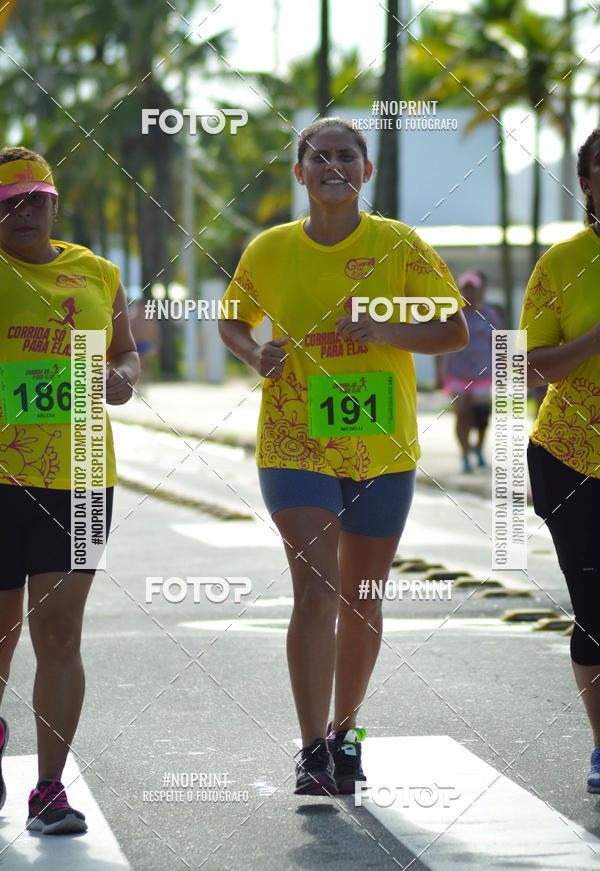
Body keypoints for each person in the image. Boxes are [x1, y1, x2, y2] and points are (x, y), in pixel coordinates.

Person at [218, 117, 468, 795]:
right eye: (320, 156)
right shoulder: (269, 249)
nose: (334, 166)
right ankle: (310, 750)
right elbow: (232, 320)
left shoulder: (400, 245)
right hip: (293, 440)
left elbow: (454, 329)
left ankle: (345, 732)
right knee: (316, 590)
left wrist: (388, 329)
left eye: (347, 156)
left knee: (362, 597)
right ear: (300, 172)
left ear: (366, 170)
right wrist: (254, 353)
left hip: (381, 444)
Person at [0, 147, 139, 832]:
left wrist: (122, 377)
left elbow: (125, 350)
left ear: (54, 203)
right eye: (7, 203)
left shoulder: (98, 272)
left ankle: (49, 789)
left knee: (58, 633)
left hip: (82, 474)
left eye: (35, 198)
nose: (22, 211)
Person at [520, 126, 600, 794]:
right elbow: (529, 366)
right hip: (573, 460)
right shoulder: (563, 262)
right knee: (597, 611)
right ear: (586, 183)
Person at [437, 271, 503, 473]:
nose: (469, 293)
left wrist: (502, 370)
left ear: (480, 291)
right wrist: (438, 374)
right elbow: (439, 344)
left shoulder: (489, 314)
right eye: (465, 289)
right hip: (456, 373)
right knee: (462, 414)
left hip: (482, 374)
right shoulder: (452, 313)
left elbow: (498, 342)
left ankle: (479, 448)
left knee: (481, 414)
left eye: (473, 289)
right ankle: (465, 453)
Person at [130, 298, 158, 388]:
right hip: (136, 345)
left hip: (146, 344)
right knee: (137, 365)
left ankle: (144, 384)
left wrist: (154, 345)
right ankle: (138, 384)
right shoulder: (132, 319)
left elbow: (154, 332)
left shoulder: (149, 319)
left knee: (145, 365)